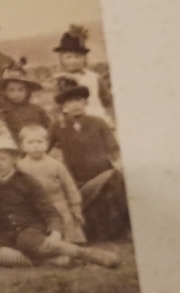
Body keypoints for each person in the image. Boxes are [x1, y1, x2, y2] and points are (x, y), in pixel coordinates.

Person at [0, 135, 120, 268]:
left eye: (2, 159)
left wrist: (55, 233)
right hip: (4, 233)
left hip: (30, 228)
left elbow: (49, 211)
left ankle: (83, 253)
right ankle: (48, 262)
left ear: (14, 159)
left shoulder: (27, 181)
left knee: (27, 242)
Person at [47, 78, 130, 241]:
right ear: (63, 106)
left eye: (78, 100)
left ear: (85, 102)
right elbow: (43, 146)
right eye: (69, 101)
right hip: (76, 178)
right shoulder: (58, 125)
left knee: (118, 184)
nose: (75, 105)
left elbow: (113, 149)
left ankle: (124, 229)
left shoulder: (98, 122)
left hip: (103, 175)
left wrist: (119, 164)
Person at [16, 123, 85, 244]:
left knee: (66, 222)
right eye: (30, 142)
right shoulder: (20, 167)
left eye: (39, 142)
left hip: (57, 202)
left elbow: (69, 186)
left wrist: (75, 206)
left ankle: (71, 245)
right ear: (22, 146)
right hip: (34, 205)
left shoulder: (56, 164)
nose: (35, 146)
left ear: (47, 144)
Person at [52, 24, 113, 123]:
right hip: (72, 121)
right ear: (61, 59)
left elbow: (107, 101)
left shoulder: (95, 77)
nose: (73, 61)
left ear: (84, 58)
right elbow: (57, 106)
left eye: (77, 56)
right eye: (68, 57)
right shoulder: (60, 80)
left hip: (96, 118)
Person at [0, 58, 50, 140]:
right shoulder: (2, 109)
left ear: (27, 91)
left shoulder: (37, 110)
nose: (16, 94)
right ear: (5, 92)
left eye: (21, 90)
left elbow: (49, 128)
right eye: (11, 90)